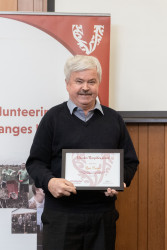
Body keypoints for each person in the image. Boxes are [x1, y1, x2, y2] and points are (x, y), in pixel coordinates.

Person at [26, 55, 139, 250]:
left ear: (98, 84)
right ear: (67, 84)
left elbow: (130, 162)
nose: (85, 87)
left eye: (91, 81)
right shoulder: (52, 118)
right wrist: (50, 182)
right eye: (79, 81)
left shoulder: (114, 120)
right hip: (61, 216)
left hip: (102, 216)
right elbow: (35, 163)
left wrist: (121, 181)